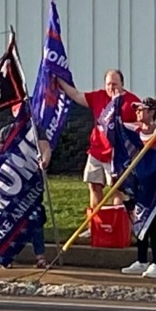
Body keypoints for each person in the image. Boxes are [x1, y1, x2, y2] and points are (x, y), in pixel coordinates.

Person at [57, 70, 140, 210]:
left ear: (122, 84)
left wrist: (124, 126)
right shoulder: (98, 97)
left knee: (118, 190)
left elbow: (141, 125)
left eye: (115, 84)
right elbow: (76, 95)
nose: (111, 87)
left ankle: (118, 225)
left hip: (117, 155)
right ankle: (97, 225)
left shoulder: (132, 101)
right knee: (94, 185)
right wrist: (59, 80)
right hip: (96, 151)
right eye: (108, 84)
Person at [0, 103, 52, 268]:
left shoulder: (36, 130)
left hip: (31, 183)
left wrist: (44, 161)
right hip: (10, 182)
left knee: (35, 219)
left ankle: (40, 256)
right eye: (17, 110)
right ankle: (7, 255)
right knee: (9, 220)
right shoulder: (6, 131)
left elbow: (46, 148)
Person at [120, 97, 156, 279]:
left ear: (151, 112)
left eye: (141, 110)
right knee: (137, 220)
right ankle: (141, 260)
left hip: (153, 186)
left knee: (152, 223)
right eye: (137, 110)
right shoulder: (134, 132)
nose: (138, 113)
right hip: (136, 184)